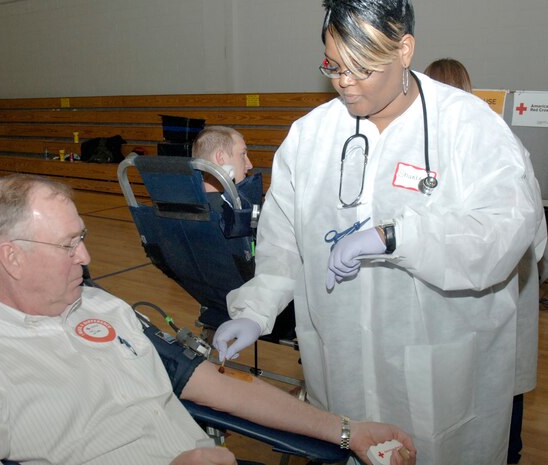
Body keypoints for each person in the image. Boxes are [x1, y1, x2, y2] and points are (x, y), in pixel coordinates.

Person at [212, 1, 545, 464]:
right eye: (334, 65)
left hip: (439, 369)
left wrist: (396, 239)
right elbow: (284, 243)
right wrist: (256, 309)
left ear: (405, 50)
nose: (345, 81)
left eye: (363, 68)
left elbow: (504, 231)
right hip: (341, 367)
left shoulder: (467, 126)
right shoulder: (310, 138)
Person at [0, 174, 416, 465]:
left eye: (81, 237)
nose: (86, 257)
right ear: (12, 258)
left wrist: (348, 431)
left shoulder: (104, 308)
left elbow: (213, 386)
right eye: (69, 244)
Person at [425, 56, 547, 464]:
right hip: (479, 309)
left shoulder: (490, 150)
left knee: (480, 392)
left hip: (477, 309)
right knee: (494, 391)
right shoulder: (505, 144)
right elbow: (540, 243)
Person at [192, 126, 253, 212]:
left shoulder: (181, 204)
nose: (250, 165)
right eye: (243, 154)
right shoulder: (228, 214)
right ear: (220, 158)